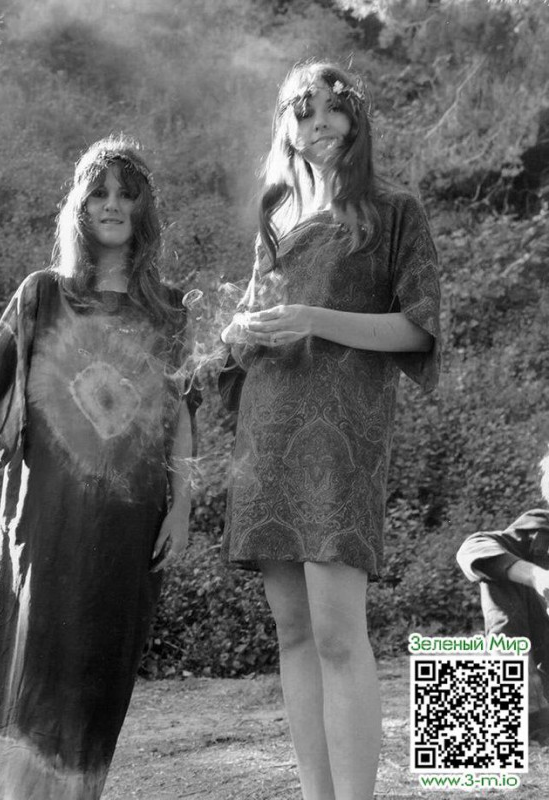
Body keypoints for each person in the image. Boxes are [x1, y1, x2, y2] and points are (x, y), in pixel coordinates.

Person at [0, 134, 199, 800]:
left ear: (145, 209)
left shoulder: (169, 311)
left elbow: (182, 414)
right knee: (27, 676)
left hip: (126, 533)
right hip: (42, 527)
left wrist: (182, 506)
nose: (112, 204)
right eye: (98, 192)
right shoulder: (42, 295)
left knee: (96, 682)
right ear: (79, 205)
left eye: (127, 193)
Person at [220, 60, 441, 800]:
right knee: (293, 633)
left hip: (344, 435)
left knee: (340, 635)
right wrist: (237, 332)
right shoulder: (275, 213)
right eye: (303, 111)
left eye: (332, 109)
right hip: (268, 431)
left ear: (356, 119)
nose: (319, 124)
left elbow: (418, 328)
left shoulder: (393, 209)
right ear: (286, 126)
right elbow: (255, 324)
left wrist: (313, 319)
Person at [456, 451, 549, 742]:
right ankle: (522, 702)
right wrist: (537, 576)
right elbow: (474, 548)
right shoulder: (539, 531)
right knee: (498, 569)